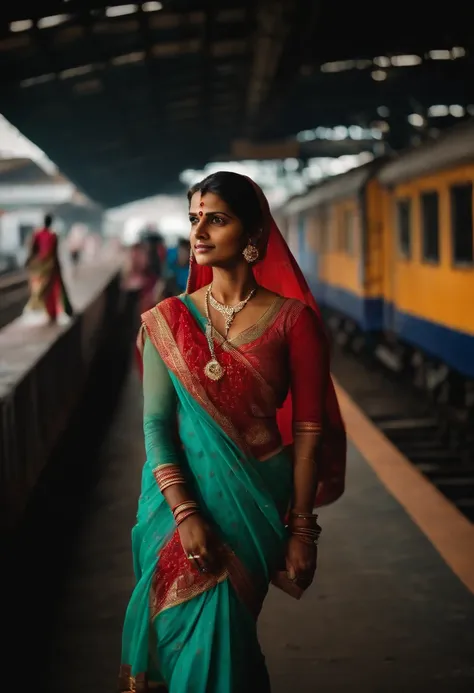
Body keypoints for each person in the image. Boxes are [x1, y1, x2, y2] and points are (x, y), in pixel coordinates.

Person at [119, 172, 346, 693]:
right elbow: (156, 425)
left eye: (216, 219)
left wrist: (302, 530)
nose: (199, 231)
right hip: (178, 506)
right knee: (192, 647)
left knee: (227, 634)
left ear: (254, 234)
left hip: (256, 502)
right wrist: (186, 513)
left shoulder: (294, 323)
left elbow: (310, 434)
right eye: (195, 218)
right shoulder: (166, 321)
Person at [24, 213, 73, 323]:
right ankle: (52, 313)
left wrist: (29, 261)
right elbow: (54, 253)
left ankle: (49, 312)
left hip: (41, 268)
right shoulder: (53, 235)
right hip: (50, 267)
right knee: (51, 290)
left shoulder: (38, 234)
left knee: (40, 288)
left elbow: (33, 249)